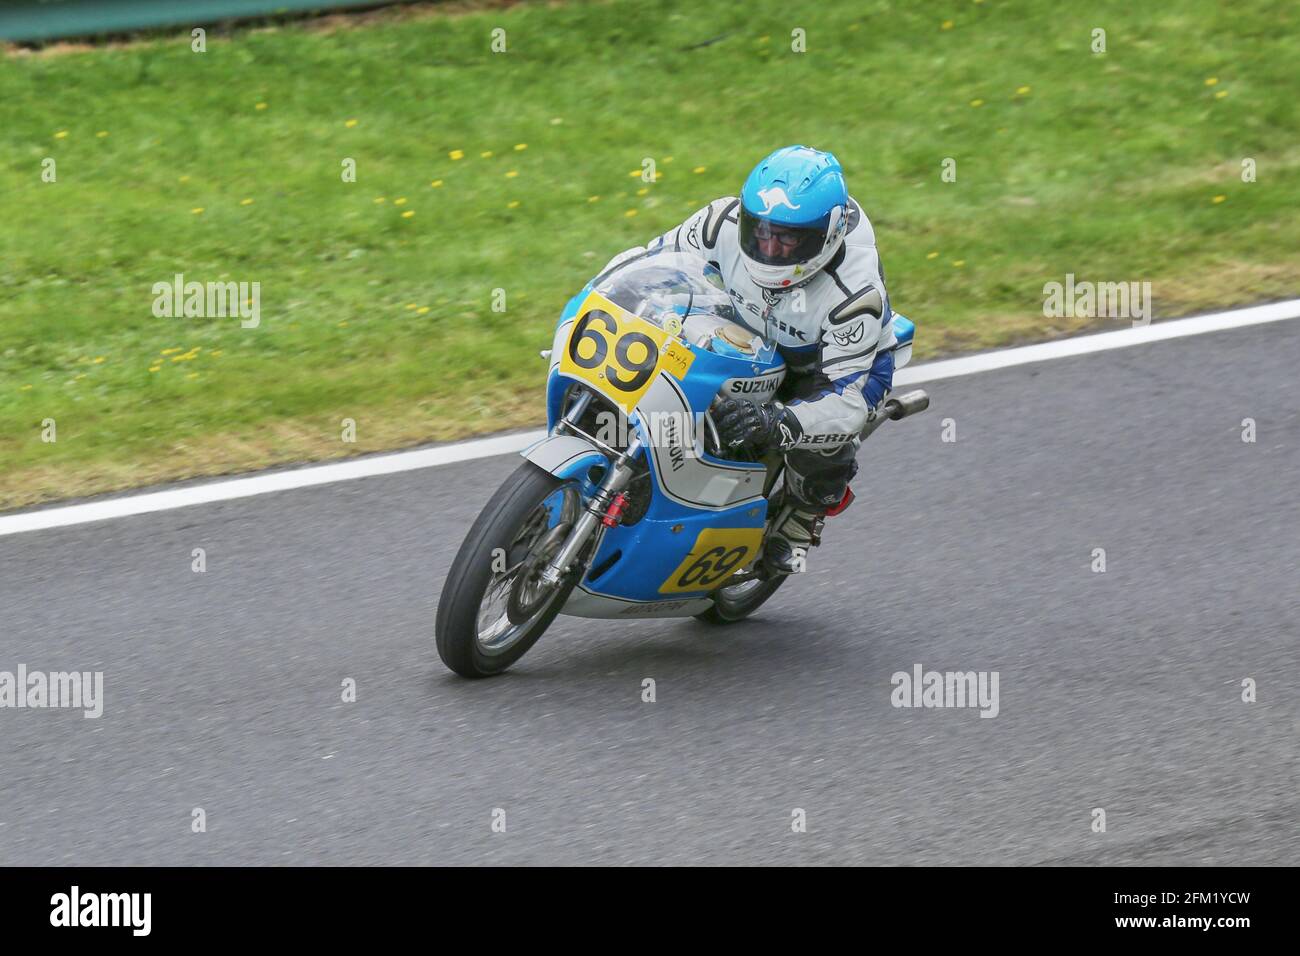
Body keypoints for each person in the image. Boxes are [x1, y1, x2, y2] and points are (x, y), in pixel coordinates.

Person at [600, 145, 896, 573]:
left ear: (826, 235)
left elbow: (846, 399)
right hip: (745, 327)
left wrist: (776, 422)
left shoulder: (855, 295)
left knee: (820, 439)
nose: (769, 248)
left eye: (788, 238)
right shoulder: (720, 221)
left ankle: (802, 516)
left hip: (825, 365)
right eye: (760, 231)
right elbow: (653, 260)